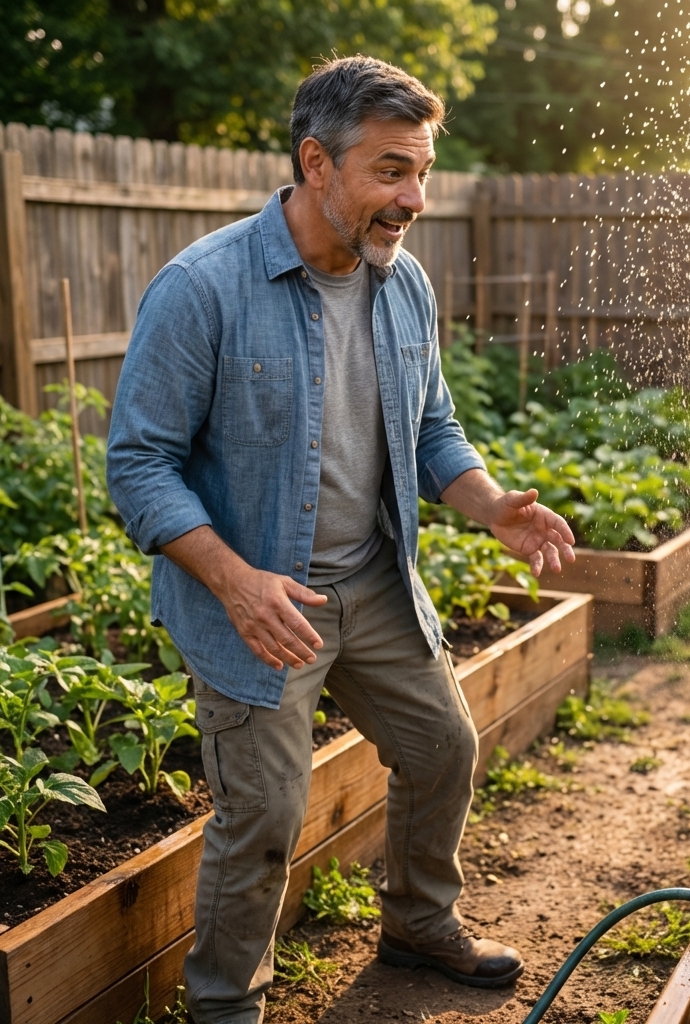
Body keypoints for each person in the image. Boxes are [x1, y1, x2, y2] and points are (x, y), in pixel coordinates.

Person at [106, 55, 576, 1024]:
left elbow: (432, 424)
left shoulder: (400, 285)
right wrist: (236, 581)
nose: (414, 198)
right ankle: (227, 1004)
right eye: (391, 171)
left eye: (421, 171)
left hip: (370, 585)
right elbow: (138, 465)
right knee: (265, 813)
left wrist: (490, 505)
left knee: (442, 745)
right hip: (257, 610)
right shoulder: (203, 289)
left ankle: (415, 919)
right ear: (317, 163)